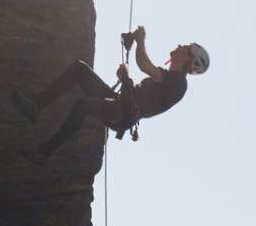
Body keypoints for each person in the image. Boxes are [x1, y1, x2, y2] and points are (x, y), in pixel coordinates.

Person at [12, 26, 208, 155]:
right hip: (120, 103)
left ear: (188, 60)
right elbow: (144, 76)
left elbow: (143, 64)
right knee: (80, 69)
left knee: (83, 106)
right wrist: (124, 78)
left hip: (123, 112)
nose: (181, 46)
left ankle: (45, 151)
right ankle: (36, 106)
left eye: (186, 48)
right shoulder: (170, 79)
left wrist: (140, 41)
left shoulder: (178, 84)